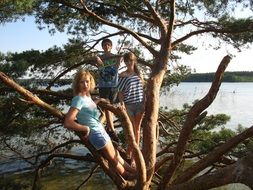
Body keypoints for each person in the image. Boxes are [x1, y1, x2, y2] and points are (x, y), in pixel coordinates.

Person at [64, 69, 135, 179]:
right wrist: (85, 128)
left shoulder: (86, 97)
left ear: (91, 82)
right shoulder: (78, 99)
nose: (85, 84)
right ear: (77, 84)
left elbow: (88, 107)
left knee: (117, 155)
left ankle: (134, 171)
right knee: (113, 158)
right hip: (96, 134)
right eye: (82, 82)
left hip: (101, 130)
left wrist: (98, 100)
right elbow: (68, 122)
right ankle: (127, 176)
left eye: (87, 81)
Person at [117, 52, 145, 160]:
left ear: (134, 61)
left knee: (137, 130)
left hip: (139, 105)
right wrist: (122, 103)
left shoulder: (139, 74)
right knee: (131, 130)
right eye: (126, 60)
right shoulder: (123, 75)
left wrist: (144, 104)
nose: (129, 62)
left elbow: (143, 90)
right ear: (124, 62)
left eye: (131, 60)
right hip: (128, 105)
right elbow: (120, 92)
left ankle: (132, 156)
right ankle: (131, 153)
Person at [96, 38, 121, 141]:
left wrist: (119, 59)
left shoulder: (115, 57)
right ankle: (112, 129)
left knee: (111, 107)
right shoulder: (100, 58)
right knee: (107, 107)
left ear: (111, 46)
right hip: (103, 86)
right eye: (104, 45)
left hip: (113, 86)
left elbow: (116, 69)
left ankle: (110, 128)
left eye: (108, 45)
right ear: (102, 47)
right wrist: (97, 60)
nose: (106, 47)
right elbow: (101, 69)